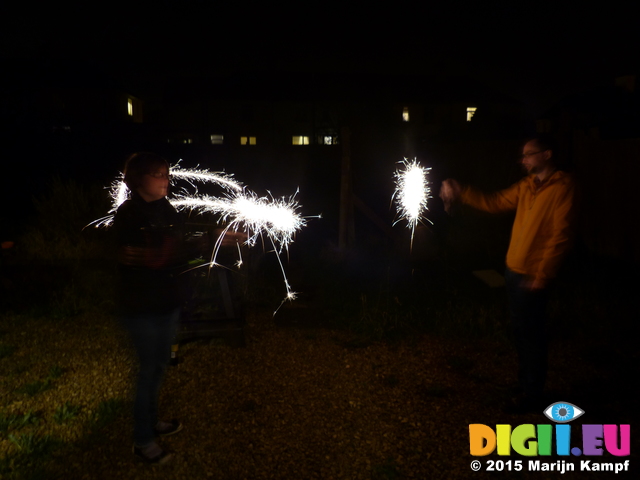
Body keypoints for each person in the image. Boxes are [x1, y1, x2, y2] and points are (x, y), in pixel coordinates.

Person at [440, 134, 577, 413]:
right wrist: (462, 191)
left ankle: (533, 394)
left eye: (529, 154)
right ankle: (525, 384)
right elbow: (495, 201)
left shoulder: (563, 186)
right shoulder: (527, 185)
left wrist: (544, 274)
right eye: (523, 155)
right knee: (520, 331)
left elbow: (560, 235)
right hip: (513, 270)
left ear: (547, 155)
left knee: (532, 335)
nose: (523, 159)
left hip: (533, 275)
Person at [113, 152, 185, 464]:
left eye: (166, 173)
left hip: (165, 301)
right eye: (157, 174)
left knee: (158, 367)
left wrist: (214, 240)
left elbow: (177, 243)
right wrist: (197, 245)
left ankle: (152, 421)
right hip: (141, 305)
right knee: (148, 371)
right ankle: (142, 441)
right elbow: (153, 256)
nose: (165, 179)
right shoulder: (129, 215)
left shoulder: (165, 208)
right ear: (139, 179)